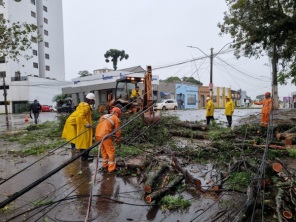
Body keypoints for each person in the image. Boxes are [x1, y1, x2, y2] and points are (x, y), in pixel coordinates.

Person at [62, 93, 95, 160]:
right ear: (91, 100)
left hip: (79, 124)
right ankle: (84, 157)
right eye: (93, 100)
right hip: (79, 125)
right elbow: (80, 116)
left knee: (83, 140)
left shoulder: (83, 105)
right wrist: (86, 123)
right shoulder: (86, 107)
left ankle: (85, 155)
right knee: (83, 140)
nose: (94, 101)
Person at [95, 107, 122, 173]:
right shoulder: (116, 118)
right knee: (111, 151)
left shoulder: (103, 116)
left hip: (97, 135)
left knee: (104, 150)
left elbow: (102, 125)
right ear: (118, 113)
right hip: (105, 136)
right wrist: (118, 139)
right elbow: (117, 131)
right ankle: (111, 168)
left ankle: (105, 166)